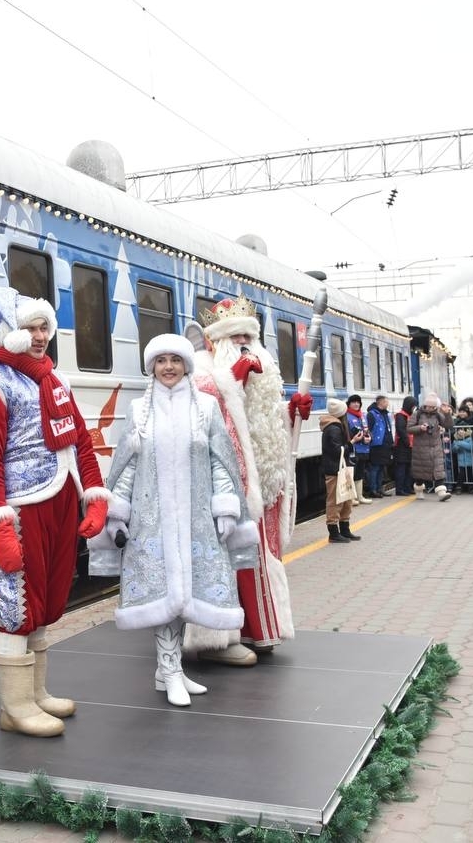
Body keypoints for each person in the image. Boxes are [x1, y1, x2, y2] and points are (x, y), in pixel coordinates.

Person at [0, 286, 110, 737]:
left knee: (44, 601)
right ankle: (15, 707)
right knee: (16, 603)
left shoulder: (55, 380)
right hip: (21, 510)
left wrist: (95, 494)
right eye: (29, 327)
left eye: (44, 325)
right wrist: (0, 522)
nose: (39, 335)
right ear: (9, 332)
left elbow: (81, 442)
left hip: (59, 502)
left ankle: (34, 694)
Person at [89, 334, 258, 706]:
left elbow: (221, 461)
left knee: (185, 596)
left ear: (186, 365)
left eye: (175, 360)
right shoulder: (138, 411)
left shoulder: (207, 408)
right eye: (161, 360)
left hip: (196, 522)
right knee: (166, 594)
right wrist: (118, 514)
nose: (168, 367)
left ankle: (170, 671)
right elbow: (126, 467)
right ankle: (169, 670)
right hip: (153, 523)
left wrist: (226, 507)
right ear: (152, 366)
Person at [181, 296, 315, 666]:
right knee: (229, 559)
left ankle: (259, 630)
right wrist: (234, 379)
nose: (243, 343)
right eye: (234, 336)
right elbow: (202, 414)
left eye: (248, 336)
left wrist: (291, 413)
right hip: (225, 486)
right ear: (215, 341)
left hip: (263, 486)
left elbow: (265, 427)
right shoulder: (205, 370)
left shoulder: (265, 372)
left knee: (260, 557)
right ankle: (221, 639)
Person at [320, 399, 360, 543]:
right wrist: (352, 443)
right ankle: (334, 533)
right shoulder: (334, 428)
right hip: (335, 470)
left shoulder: (333, 427)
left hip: (340, 468)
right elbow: (338, 451)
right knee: (336, 501)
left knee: (346, 499)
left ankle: (344, 529)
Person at [410, 392, 452, 500]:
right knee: (420, 473)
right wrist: (420, 428)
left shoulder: (438, 415)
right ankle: (419, 490)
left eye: (433, 406)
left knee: (438, 470)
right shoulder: (417, 414)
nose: (430, 408)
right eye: (428, 406)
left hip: (436, 447)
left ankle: (442, 492)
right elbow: (409, 428)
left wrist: (447, 414)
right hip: (420, 449)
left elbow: (448, 426)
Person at [344, 395, 372, 504]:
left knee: (360, 473)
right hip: (353, 449)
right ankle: (351, 498)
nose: (356, 404)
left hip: (364, 449)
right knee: (352, 473)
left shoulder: (362, 416)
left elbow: (367, 430)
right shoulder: (346, 416)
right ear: (349, 404)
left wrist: (369, 438)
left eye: (358, 402)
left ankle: (360, 496)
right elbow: (347, 434)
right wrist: (358, 439)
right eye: (353, 402)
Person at [365, 395, 393, 498]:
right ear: (380, 402)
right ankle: (373, 489)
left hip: (385, 445)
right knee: (375, 468)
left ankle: (379, 489)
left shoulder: (385, 414)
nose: (388, 403)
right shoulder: (372, 414)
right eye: (386, 402)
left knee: (381, 468)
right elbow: (369, 429)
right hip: (376, 445)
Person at [392, 395, 418, 495]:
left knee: (408, 468)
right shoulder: (400, 415)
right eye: (413, 405)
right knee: (401, 468)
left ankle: (408, 487)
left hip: (409, 446)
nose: (414, 408)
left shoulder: (410, 415)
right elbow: (401, 430)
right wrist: (407, 442)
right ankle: (400, 489)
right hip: (402, 446)